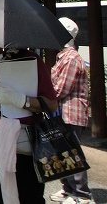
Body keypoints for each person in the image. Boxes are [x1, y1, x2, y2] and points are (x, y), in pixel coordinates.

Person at [0, 42, 58, 203]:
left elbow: (51, 104)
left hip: (25, 143)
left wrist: (22, 100)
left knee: (28, 196)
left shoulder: (31, 60)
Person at [49, 18, 93, 204]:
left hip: (70, 112)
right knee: (62, 151)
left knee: (72, 152)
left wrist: (43, 94)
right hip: (62, 112)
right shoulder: (63, 57)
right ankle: (68, 189)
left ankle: (82, 195)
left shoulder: (72, 58)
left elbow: (60, 89)